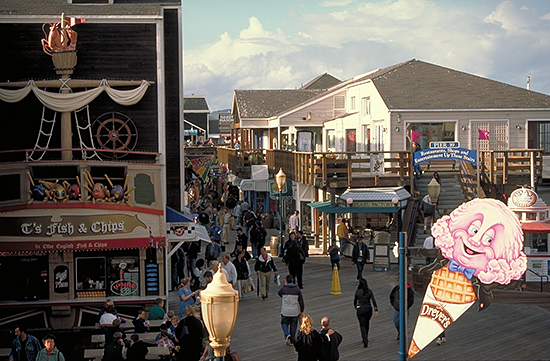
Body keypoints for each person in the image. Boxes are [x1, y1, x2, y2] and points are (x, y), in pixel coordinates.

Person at [278, 275, 305, 346]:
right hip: (295, 311)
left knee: (284, 323)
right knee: (293, 325)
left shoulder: (284, 289)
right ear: (293, 280)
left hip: (285, 310)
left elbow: (279, 293)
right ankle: (292, 340)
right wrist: (302, 309)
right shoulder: (297, 290)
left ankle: (287, 334)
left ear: (286, 281)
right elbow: (301, 300)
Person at [353, 278, 378, 347]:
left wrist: (355, 307)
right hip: (368, 309)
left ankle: (365, 339)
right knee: (367, 323)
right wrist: (376, 309)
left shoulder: (357, 292)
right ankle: (366, 336)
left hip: (360, 308)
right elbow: (373, 300)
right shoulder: (369, 291)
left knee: (362, 325)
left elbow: (355, 301)